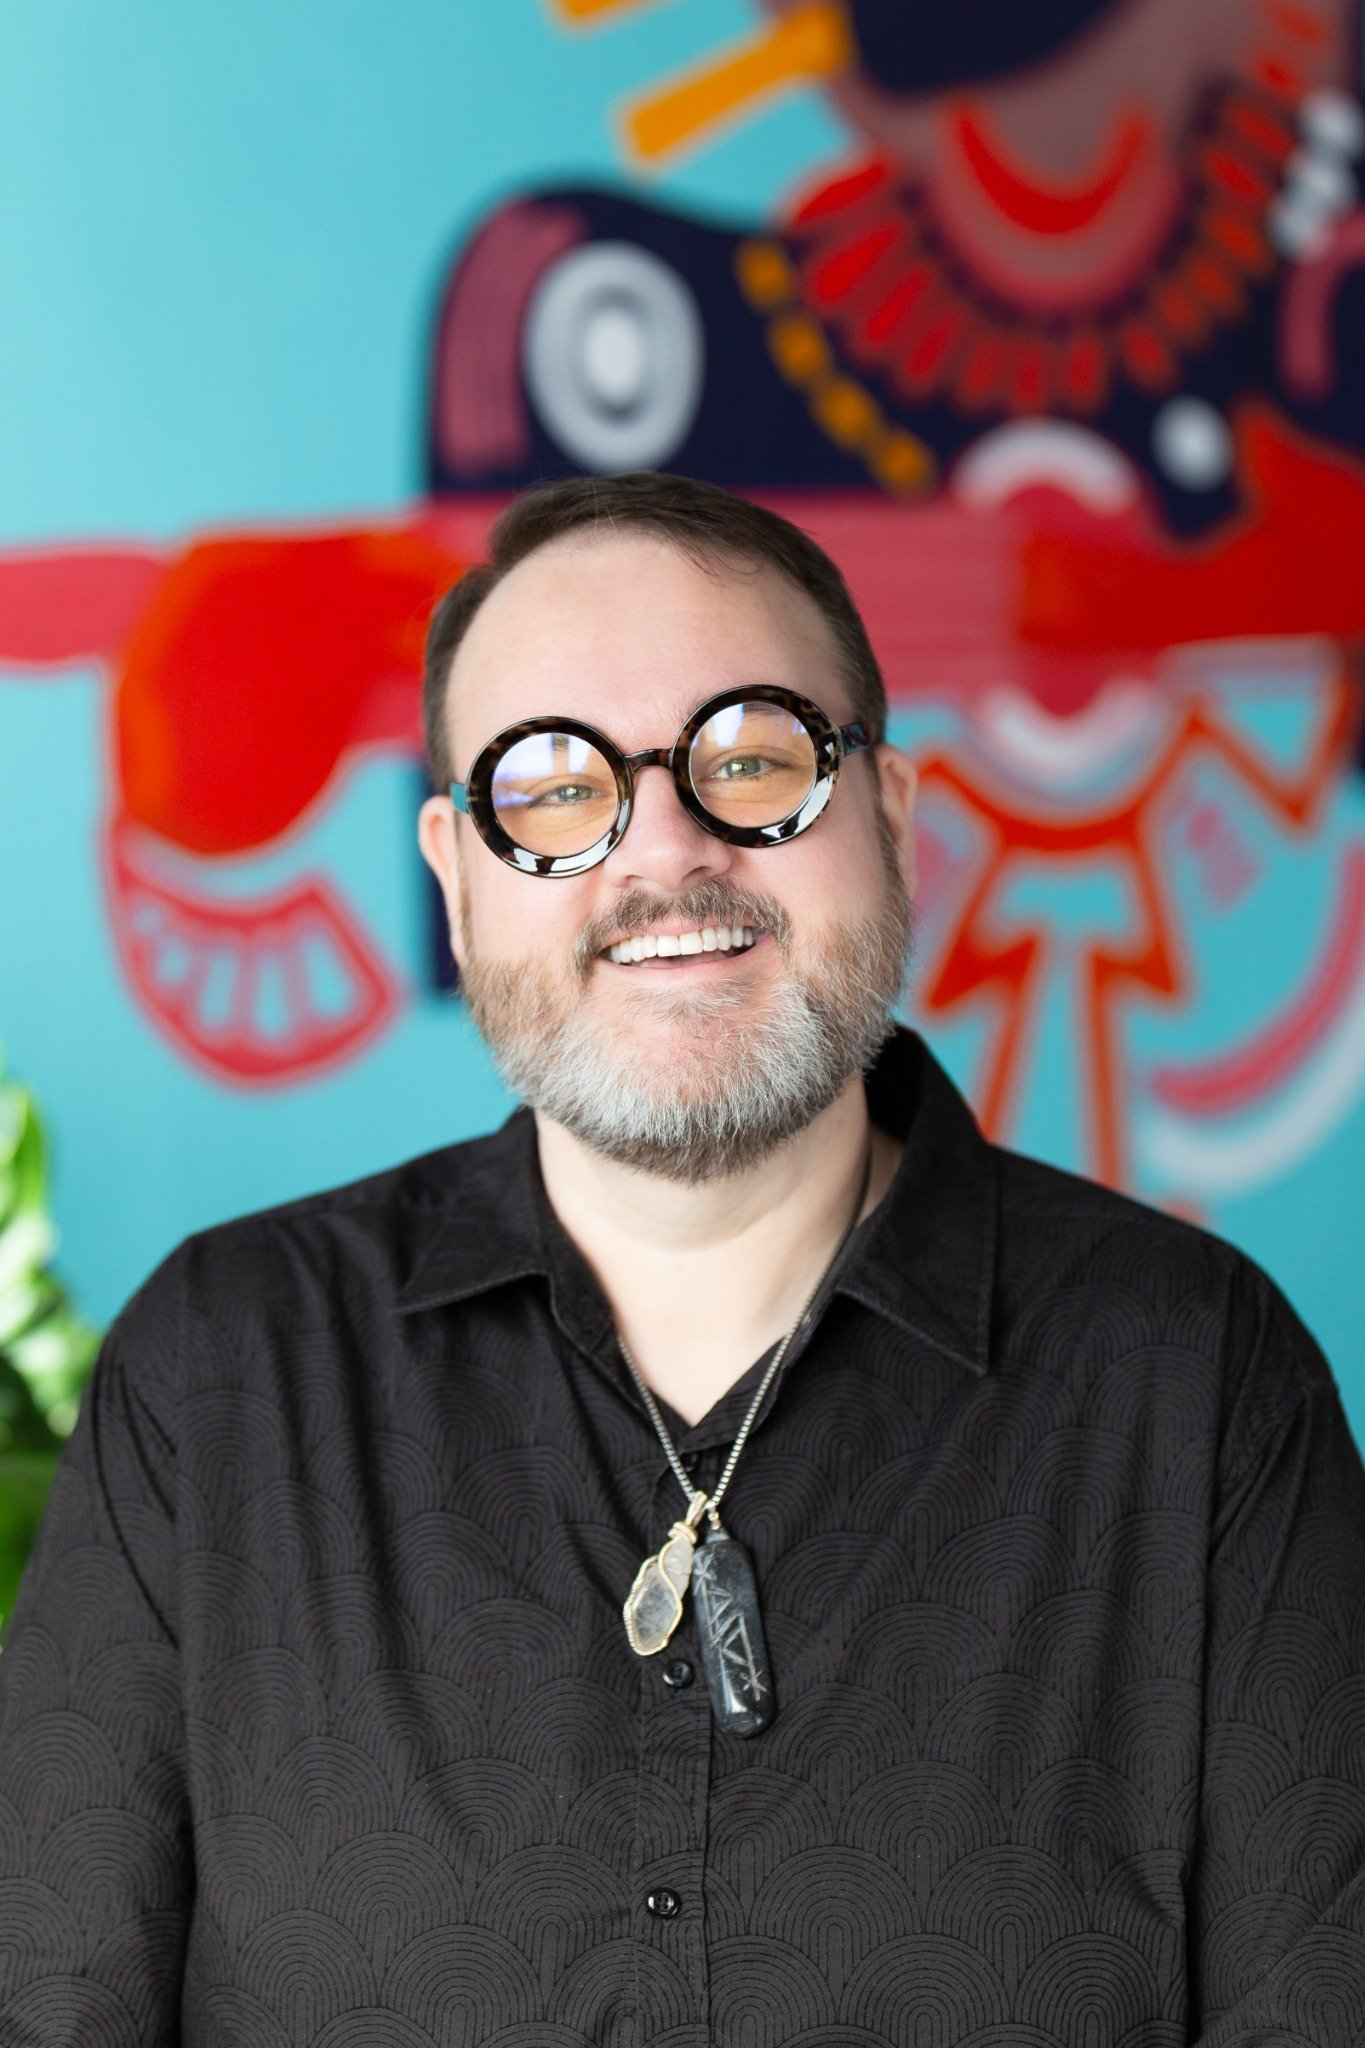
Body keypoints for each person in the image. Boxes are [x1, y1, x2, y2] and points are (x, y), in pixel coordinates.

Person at [2, 471, 1364, 2048]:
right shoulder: (220, 1373)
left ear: (894, 825)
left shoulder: (1198, 1379)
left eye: (754, 757)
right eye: (556, 789)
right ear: (454, 880)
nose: (666, 850)